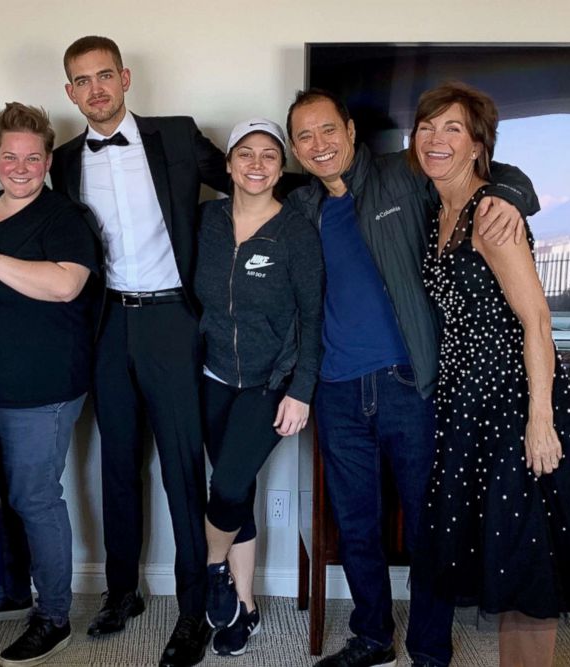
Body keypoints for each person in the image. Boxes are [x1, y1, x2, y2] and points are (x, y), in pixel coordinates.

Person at [0, 35, 230, 667]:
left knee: (182, 472)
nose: (95, 90)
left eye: (104, 76)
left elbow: (251, 177)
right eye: (81, 82)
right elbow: (22, 196)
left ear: (126, 78)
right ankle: (121, 594)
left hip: (172, 319)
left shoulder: (176, 134)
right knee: (116, 467)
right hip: (107, 321)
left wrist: (330, 187)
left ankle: (192, 611)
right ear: (69, 93)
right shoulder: (67, 160)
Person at [284, 88, 540, 667]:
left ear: (350, 131)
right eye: (305, 136)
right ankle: (372, 635)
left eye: (328, 130)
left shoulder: (405, 175)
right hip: (338, 392)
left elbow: (493, 171)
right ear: (296, 149)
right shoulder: (301, 206)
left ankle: (429, 647)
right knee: (355, 526)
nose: (319, 145)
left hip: (411, 386)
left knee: (431, 527)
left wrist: (510, 194)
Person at [409, 82, 570, 667]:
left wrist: (540, 421)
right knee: (497, 558)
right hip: (466, 409)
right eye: (426, 127)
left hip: (517, 406)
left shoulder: (493, 214)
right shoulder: (435, 210)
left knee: (525, 564)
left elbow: (538, 320)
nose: (436, 139)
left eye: (453, 129)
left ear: (477, 146)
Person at [0, 102, 101, 667]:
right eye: (9, 156)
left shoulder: (64, 217)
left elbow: (65, 286)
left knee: (35, 498)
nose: (20, 166)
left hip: (45, 386)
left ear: (46, 161)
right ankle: (11, 588)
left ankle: (54, 616)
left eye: (31, 158)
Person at [195, 118, 323, 656]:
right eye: (244, 154)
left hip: (271, 382)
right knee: (237, 492)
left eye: (268, 155)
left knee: (224, 488)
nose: (255, 163)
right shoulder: (204, 220)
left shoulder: (295, 229)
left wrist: (303, 389)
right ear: (227, 164)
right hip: (211, 376)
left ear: (281, 167)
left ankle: (208, 570)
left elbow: (315, 317)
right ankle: (243, 607)